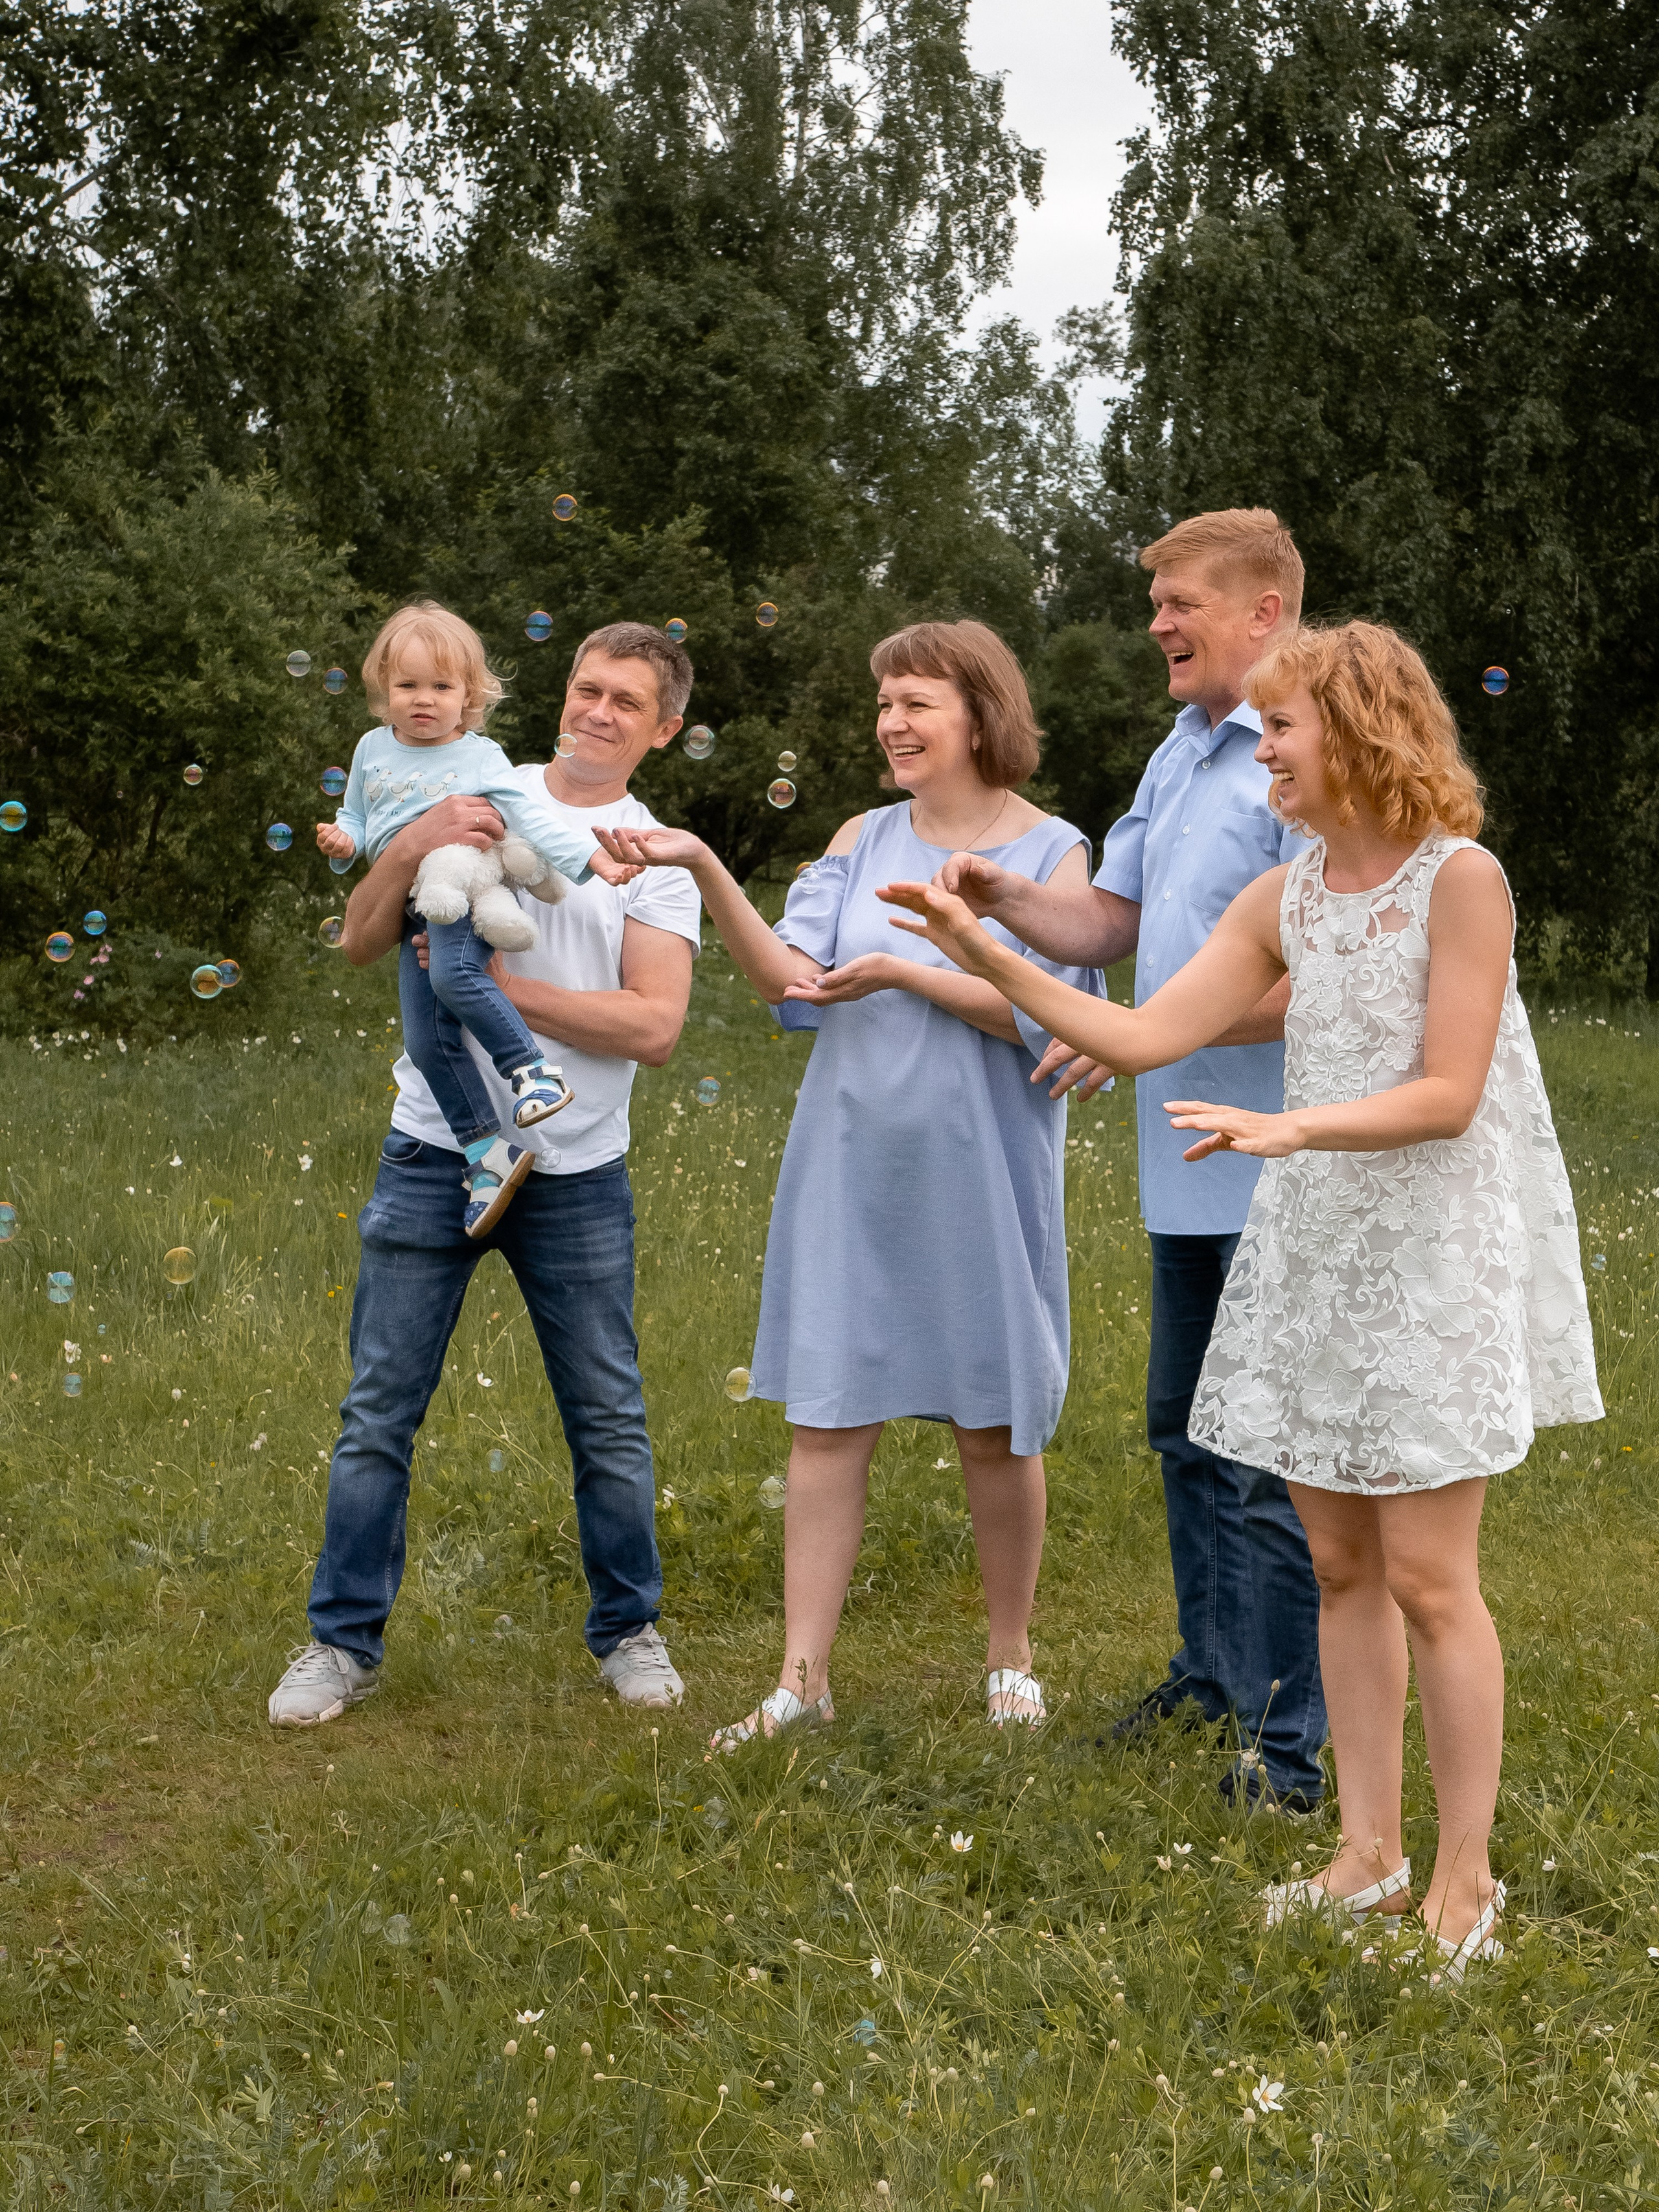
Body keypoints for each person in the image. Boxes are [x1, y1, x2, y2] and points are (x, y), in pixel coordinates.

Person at [879, 618, 1602, 1970]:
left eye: (1279, 727)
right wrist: (982, 945)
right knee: (1338, 1563)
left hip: (1428, 1253)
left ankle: (1464, 1884)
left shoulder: (1461, 879)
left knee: (1429, 1575)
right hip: (1316, 1241)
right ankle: (1368, 1852)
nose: (1259, 751)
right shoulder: (1284, 896)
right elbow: (1139, 1031)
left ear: (1360, 728)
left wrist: (1296, 1126)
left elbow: (1450, 1091)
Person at [596, 620, 1102, 1745]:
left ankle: (1011, 1657)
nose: (891, 722)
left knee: (995, 1426)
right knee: (827, 1420)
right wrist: (702, 866)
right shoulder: (862, 837)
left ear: (980, 712)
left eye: (916, 701)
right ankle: (802, 1680)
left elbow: (1057, 1016)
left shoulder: (1054, 854)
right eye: (885, 703)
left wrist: (910, 977)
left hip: (984, 1172)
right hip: (850, 1164)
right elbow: (791, 983)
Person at [936, 509, 1327, 1810]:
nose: (1157, 621)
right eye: (1154, 600)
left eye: (1180, 601)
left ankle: (1285, 1747)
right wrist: (1004, 896)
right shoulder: (1180, 751)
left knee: (1267, 1465)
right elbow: (1114, 919)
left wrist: (1159, 1026)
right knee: (1189, 1437)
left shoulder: (1310, 754)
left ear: (1263, 612)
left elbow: (1325, 973)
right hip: (1184, 1164)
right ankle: (1212, 1678)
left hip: (1283, 1161)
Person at [268, 622, 702, 1727]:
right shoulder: (464, 779)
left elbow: (654, 1026)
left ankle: (630, 1630)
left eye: (627, 701)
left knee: (606, 1414)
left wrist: (498, 994)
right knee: (378, 1410)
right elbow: (360, 940)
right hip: (432, 1152)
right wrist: (411, 845)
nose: (598, 711)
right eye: (587, 688)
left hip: (576, 1169)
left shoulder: (652, 855)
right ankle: (341, 1644)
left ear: (664, 730)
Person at [316, 602, 638, 1237]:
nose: (423, 699)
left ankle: (533, 1073)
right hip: (413, 899)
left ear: (468, 696)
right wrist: (343, 840)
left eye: (441, 686)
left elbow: (532, 819)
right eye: (408, 685)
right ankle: (487, 1154)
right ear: (384, 690)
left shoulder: (481, 756)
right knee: (424, 1042)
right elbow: (357, 814)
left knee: (455, 977)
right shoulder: (371, 748)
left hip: (463, 884)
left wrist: (591, 857)